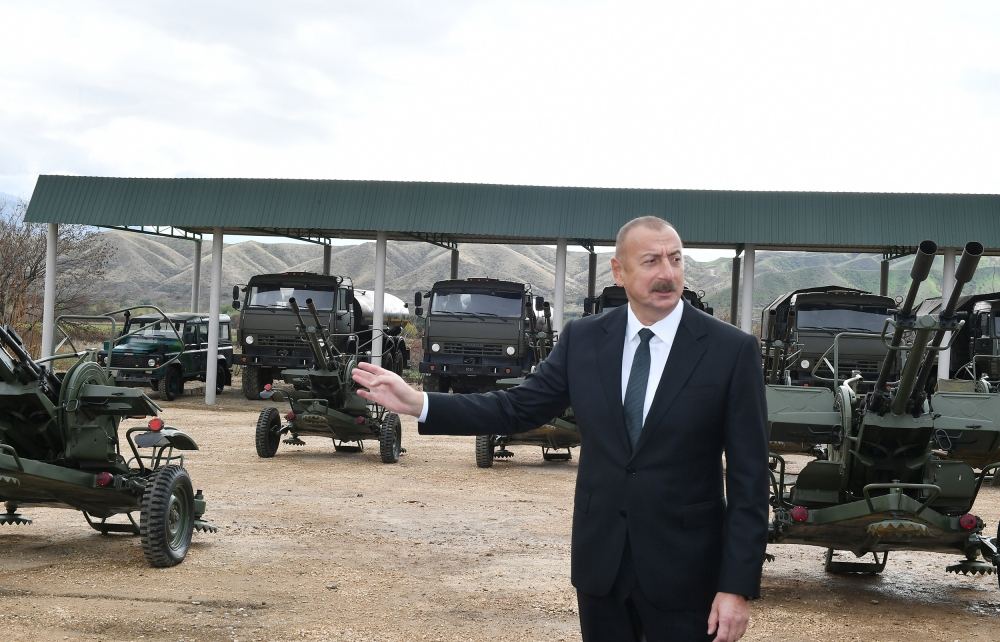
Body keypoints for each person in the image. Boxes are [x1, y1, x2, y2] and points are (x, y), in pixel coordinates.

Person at [352, 216, 769, 642]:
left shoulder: (730, 350)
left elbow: (749, 482)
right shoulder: (584, 339)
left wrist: (735, 587)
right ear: (619, 271)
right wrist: (419, 403)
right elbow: (517, 408)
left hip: (687, 575)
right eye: (650, 261)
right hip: (600, 569)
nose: (666, 273)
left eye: (675, 259)